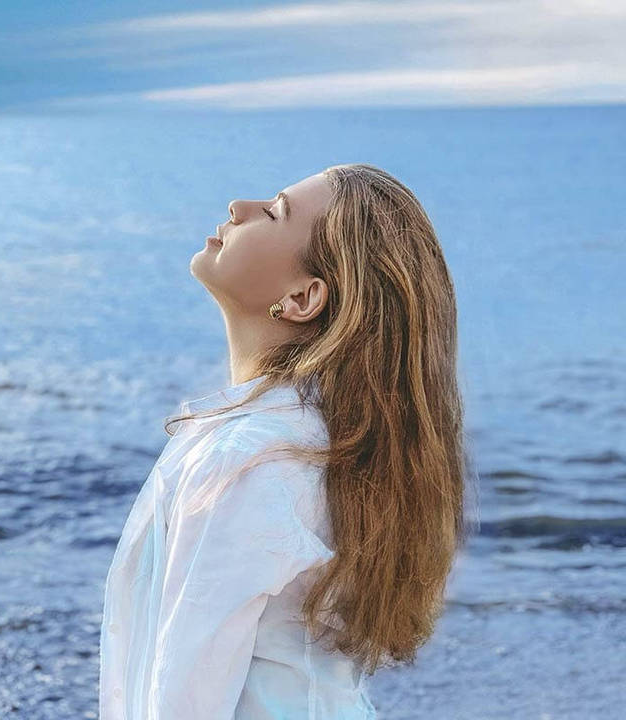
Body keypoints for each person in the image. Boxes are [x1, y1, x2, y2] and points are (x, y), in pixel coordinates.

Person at [99, 163, 475, 719]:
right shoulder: (324, 444)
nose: (238, 207)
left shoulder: (250, 459)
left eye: (274, 213)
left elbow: (184, 699)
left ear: (302, 297)